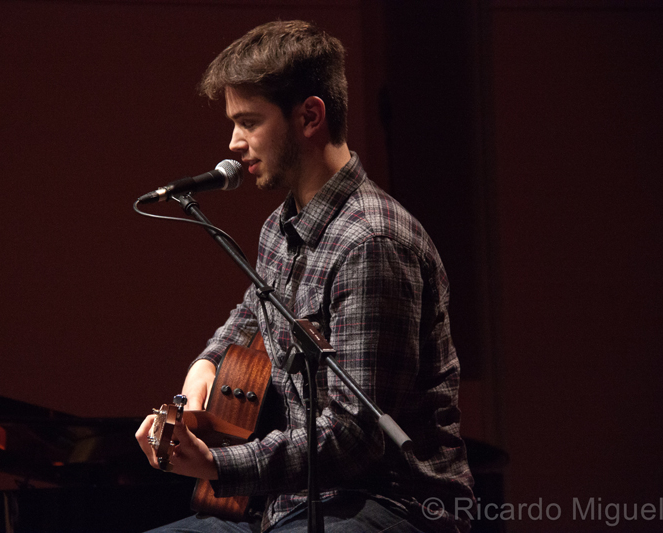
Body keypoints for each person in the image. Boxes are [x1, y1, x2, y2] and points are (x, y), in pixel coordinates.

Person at [136, 20, 474, 533]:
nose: (233, 143)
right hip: (296, 500)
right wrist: (208, 361)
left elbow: (357, 435)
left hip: (389, 503)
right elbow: (255, 309)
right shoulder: (281, 227)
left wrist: (218, 464)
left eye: (249, 122)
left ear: (310, 117)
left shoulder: (372, 243)